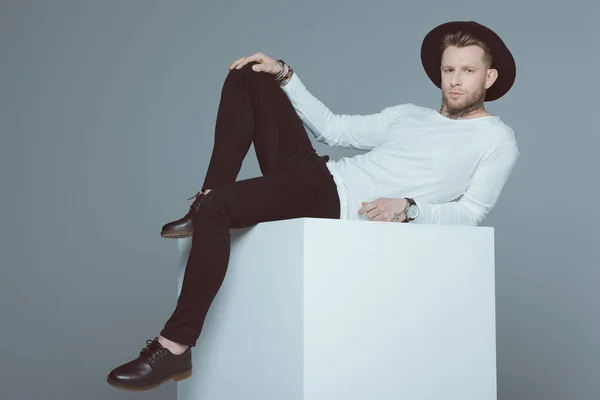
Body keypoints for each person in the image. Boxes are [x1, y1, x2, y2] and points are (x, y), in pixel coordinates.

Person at [107, 20, 519, 391]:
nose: (456, 81)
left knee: (221, 212)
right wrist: (285, 74)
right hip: (316, 175)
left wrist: (411, 208)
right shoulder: (407, 115)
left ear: (490, 76)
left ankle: (175, 346)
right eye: (450, 70)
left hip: (330, 202)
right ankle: (207, 197)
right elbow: (333, 128)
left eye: (468, 71)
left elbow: (472, 212)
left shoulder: (496, 140)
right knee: (248, 75)